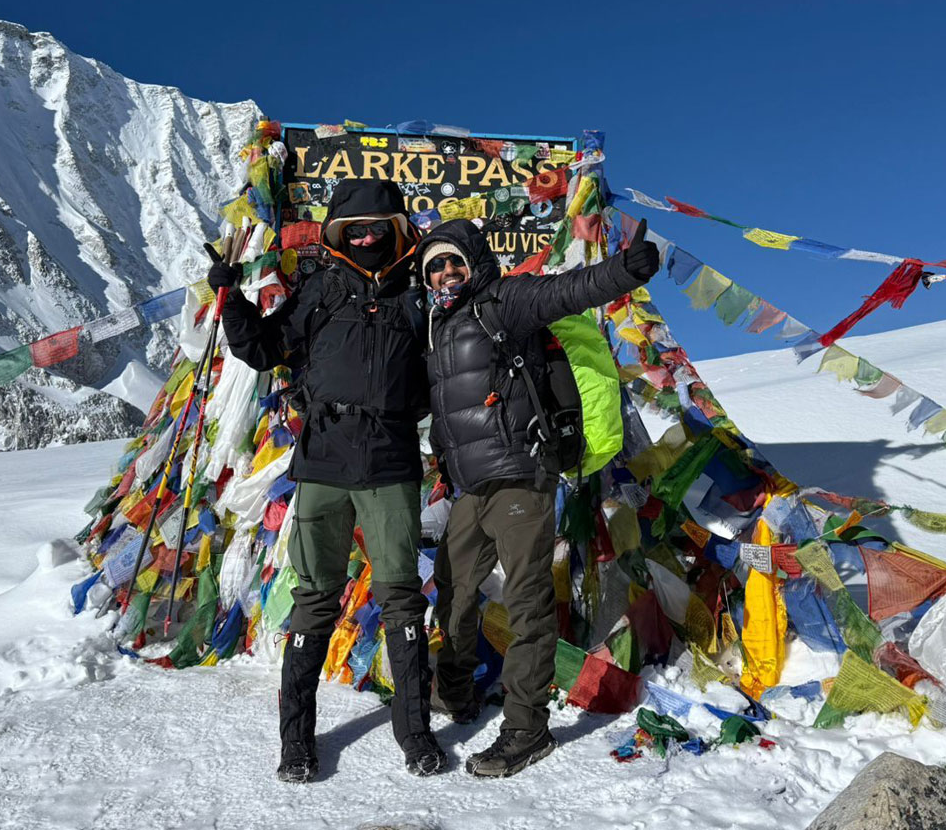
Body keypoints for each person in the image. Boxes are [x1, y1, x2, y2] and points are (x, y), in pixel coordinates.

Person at [209, 178, 446, 782]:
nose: (366, 238)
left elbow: (440, 380)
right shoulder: (321, 291)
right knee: (315, 598)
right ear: (338, 238)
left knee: (400, 597)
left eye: (376, 229)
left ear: (398, 232)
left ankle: (415, 734)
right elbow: (263, 350)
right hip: (323, 466)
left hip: (390, 465)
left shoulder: (418, 300)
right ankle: (296, 743)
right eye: (353, 231)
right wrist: (231, 300)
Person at [419, 216, 660, 777]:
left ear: (474, 262)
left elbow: (568, 289)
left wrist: (621, 272)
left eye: (455, 260)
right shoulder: (436, 326)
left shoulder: (504, 301)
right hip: (470, 488)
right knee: (454, 592)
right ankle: (453, 694)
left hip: (522, 477)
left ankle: (527, 730)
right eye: (436, 266)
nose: (447, 272)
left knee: (527, 603)